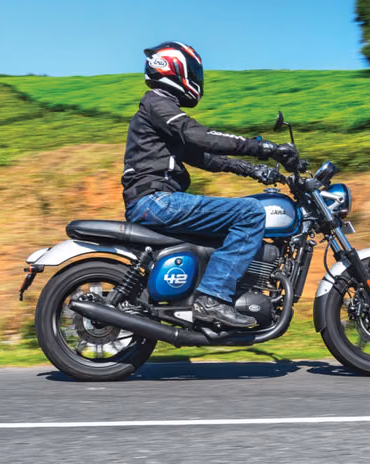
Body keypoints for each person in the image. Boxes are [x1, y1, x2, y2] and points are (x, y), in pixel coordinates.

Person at [122, 41, 300, 328]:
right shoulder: (157, 103)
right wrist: (262, 147)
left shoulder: (159, 112)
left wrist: (253, 170)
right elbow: (200, 137)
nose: (197, 80)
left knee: (235, 219)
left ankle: (215, 291)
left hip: (155, 200)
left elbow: (205, 157)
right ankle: (212, 298)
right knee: (251, 212)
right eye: (194, 72)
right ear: (174, 69)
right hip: (155, 200)